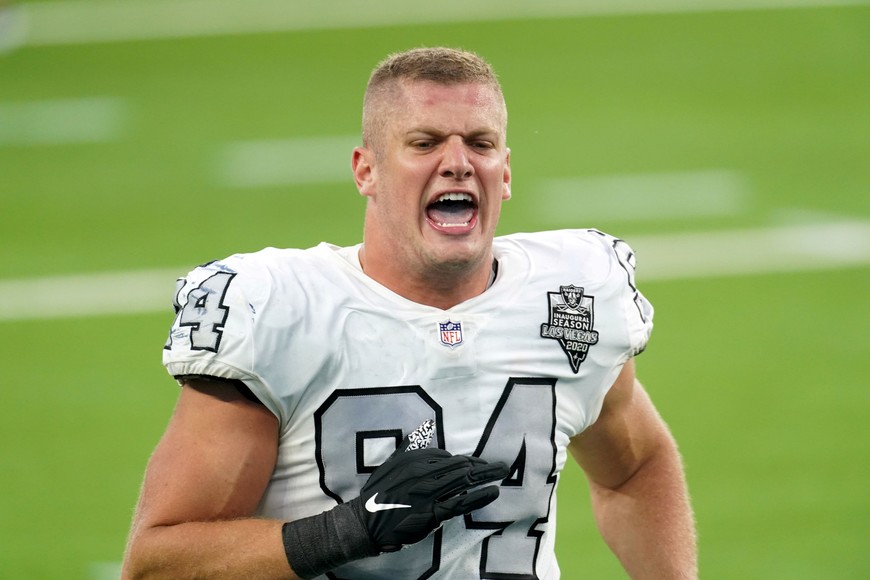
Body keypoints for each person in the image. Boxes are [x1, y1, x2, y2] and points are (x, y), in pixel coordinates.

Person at [122, 47, 697, 579]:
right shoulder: (277, 311)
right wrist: (347, 530)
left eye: (481, 142)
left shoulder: (571, 294)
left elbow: (635, 469)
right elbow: (156, 565)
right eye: (424, 143)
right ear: (365, 170)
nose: (457, 163)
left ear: (506, 171)